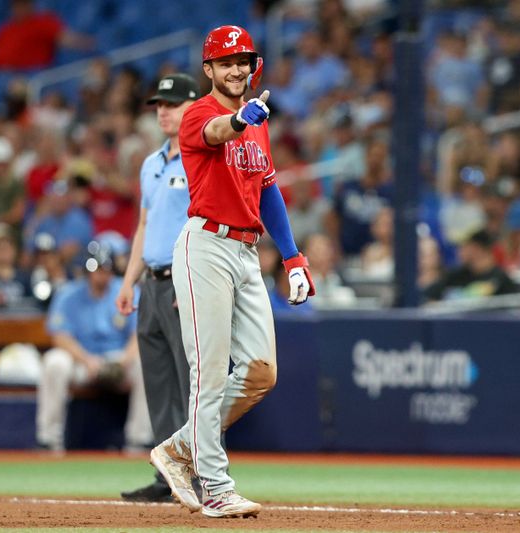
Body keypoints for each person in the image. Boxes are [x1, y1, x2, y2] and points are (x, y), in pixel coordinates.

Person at [148, 25, 315, 519]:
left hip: (246, 252)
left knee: (262, 372)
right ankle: (216, 486)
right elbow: (216, 132)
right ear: (209, 70)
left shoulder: (257, 120)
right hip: (206, 246)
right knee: (210, 374)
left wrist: (292, 257)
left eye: (243, 60)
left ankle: (179, 448)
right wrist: (239, 120)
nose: (237, 68)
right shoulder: (201, 111)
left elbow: (268, 190)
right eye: (226, 62)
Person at [117, 73, 201, 503]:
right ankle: (166, 475)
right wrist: (129, 280)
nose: (163, 110)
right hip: (151, 281)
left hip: (182, 279)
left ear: (193, 106)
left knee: (193, 383)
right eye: (159, 104)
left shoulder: (201, 156)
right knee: (160, 383)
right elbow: (144, 225)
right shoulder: (152, 162)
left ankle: (202, 474)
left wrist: (191, 278)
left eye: (172, 103)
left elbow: (203, 224)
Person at [36, 243, 151, 452]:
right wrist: (86, 360)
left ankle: (139, 439)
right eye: (95, 269)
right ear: (86, 270)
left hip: (117, 359)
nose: (100, 274)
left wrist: (124, 361)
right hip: (82, 360)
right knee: (54, 362)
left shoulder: (126, 290)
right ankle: (49, 439)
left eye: (104, 269)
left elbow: (138, 335)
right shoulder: (69, 294)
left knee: (145, 364)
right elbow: (60, 337)